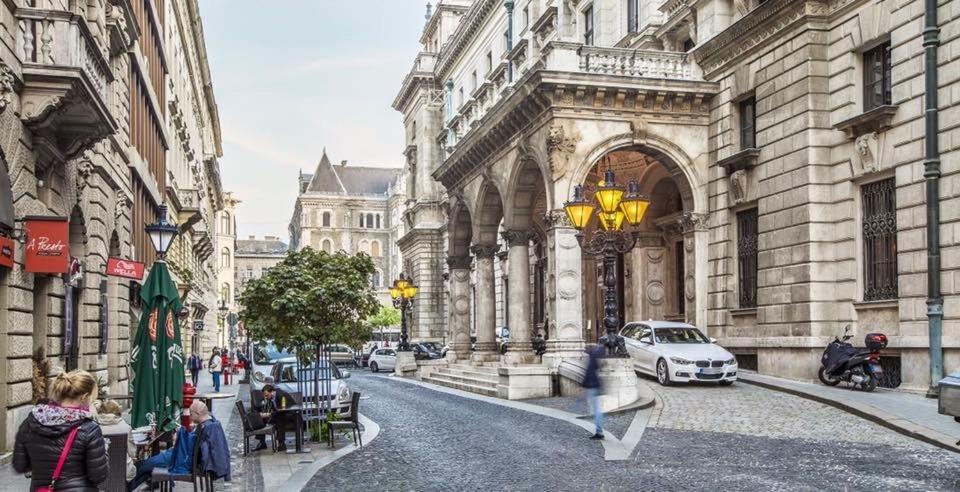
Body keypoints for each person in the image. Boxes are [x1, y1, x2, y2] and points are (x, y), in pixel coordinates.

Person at [13, 369, 109, 491]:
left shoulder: (30, 423)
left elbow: (20, 465)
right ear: (84, 397)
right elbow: (98, 476)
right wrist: (104, 451)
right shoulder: (89, 428)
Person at [128, 400, 231, 491]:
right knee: (146, 468)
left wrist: (179, 437)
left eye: (191, 414)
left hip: (180, 458)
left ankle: (127, 486)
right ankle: (131, 487)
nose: (189, 416)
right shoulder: (210, 422)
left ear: (198, 413)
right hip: (181, 455)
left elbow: (190, 448)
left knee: (143, 465)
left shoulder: (206, 427)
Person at [253, 384, 298, 452]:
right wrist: (265, 414)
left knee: (279, 418)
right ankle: (262, 442)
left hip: (292, 415)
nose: (266, 397)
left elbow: (283, 409)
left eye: (267, 395)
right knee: (261, 418)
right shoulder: (272, 397)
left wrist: (269, 414)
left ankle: (281, 443)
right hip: (281, 414)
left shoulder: (281, 395)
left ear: (272, 392)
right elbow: (274, 409)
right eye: (265, 395)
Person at [582, 345, 605, 440]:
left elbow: (589, 373)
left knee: (596, 410)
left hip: (592, 386)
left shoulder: (592, 360)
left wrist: (584, 384)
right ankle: (599, 431)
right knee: (597, 410)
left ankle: (599, 432)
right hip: (595, 386)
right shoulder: (596, 359)